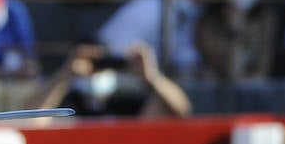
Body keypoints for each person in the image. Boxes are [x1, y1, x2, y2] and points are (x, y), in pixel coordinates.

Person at [95, 0, 218, 78]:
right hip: (115, 80)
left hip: (147, 82)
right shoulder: (151, 6)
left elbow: (185, 59)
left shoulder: (186, 16)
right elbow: (113, 53)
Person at [32, 39, 192, 117]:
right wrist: (65, 74)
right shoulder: (65, 103)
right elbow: (30, 120)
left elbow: (181, 111)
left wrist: (152, 77)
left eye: (100, 62)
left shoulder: (126, 102)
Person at [194, 0, 275, 79]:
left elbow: (262, 73)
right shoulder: (208, 23)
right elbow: (232, 74)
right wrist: (236, 31)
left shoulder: (267, 19)